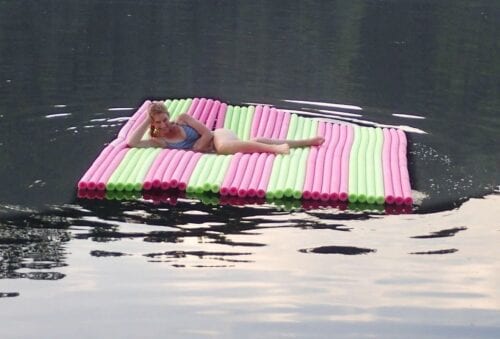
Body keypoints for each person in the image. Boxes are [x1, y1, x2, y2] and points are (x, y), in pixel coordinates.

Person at [127, 101, 325, 154]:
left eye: (165, 119)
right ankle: (306, 142)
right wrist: (147, 118)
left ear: (169, 116)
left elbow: (206, 132)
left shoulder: (183, 118)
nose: (164, 125)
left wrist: (197, 148)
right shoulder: (159, 140)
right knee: (255, 141)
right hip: (216, 147)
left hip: (218, 136)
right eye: (158, 122)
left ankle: (275, 149)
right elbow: (132, 142)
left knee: (223, 148)